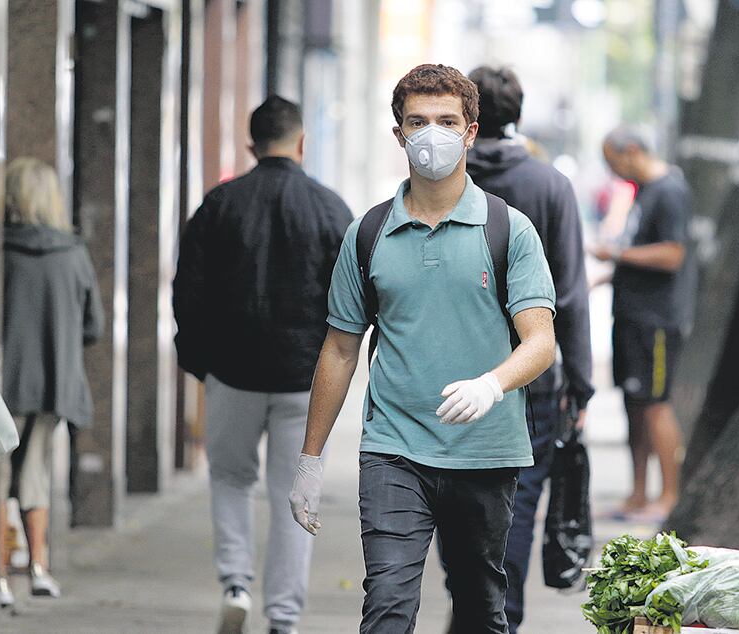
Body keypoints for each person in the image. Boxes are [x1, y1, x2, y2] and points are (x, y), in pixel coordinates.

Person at [288, 64, 557, 633]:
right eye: (417, 121)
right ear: (399, 134)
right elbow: (339, 349)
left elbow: (540, 342)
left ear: (471, 132)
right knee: (387, 601)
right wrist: (310, 458)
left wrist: (492, 384)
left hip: (484, 452)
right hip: (394, 448)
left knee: (480, 608)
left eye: (446, 121)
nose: (432, 133)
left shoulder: (509, 230)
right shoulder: (368, 233)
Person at [173, 95, 352, 634]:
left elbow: (188, 292)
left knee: (230, 477)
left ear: (251, 145)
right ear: (302, 142)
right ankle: (284, 617)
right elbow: (352, 299)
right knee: (294, 495)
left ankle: (235, 585)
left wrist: (201, 363)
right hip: (306, 380)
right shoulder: (329, 208)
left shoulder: (219, 204)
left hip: (232, 374)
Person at [460, 65, 594, 633]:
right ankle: (498, 618)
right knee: (516, 506)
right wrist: (579, 382)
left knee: (451, 502)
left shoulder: (446, 179)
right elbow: (571, 292)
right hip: (530, 375)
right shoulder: (549, 185)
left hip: (449, 372)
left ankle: (474, 608)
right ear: (517, 112)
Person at [0, 157, 104, 607]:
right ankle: (38, 567)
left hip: (1, 385)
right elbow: (93, 325)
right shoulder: (73, 253)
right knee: (35, 473)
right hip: (53, 383)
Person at [591, 125, 695, 521]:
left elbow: (672, 255)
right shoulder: (644, 190)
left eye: (613, 161)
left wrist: (616, 255)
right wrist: (608, 275)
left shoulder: (669, 190)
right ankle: (637, 494)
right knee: (633, 405)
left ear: (632, 150)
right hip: (630, 315)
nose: (613, 171)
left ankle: (668, 497)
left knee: (655, 406)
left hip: (657, 320)